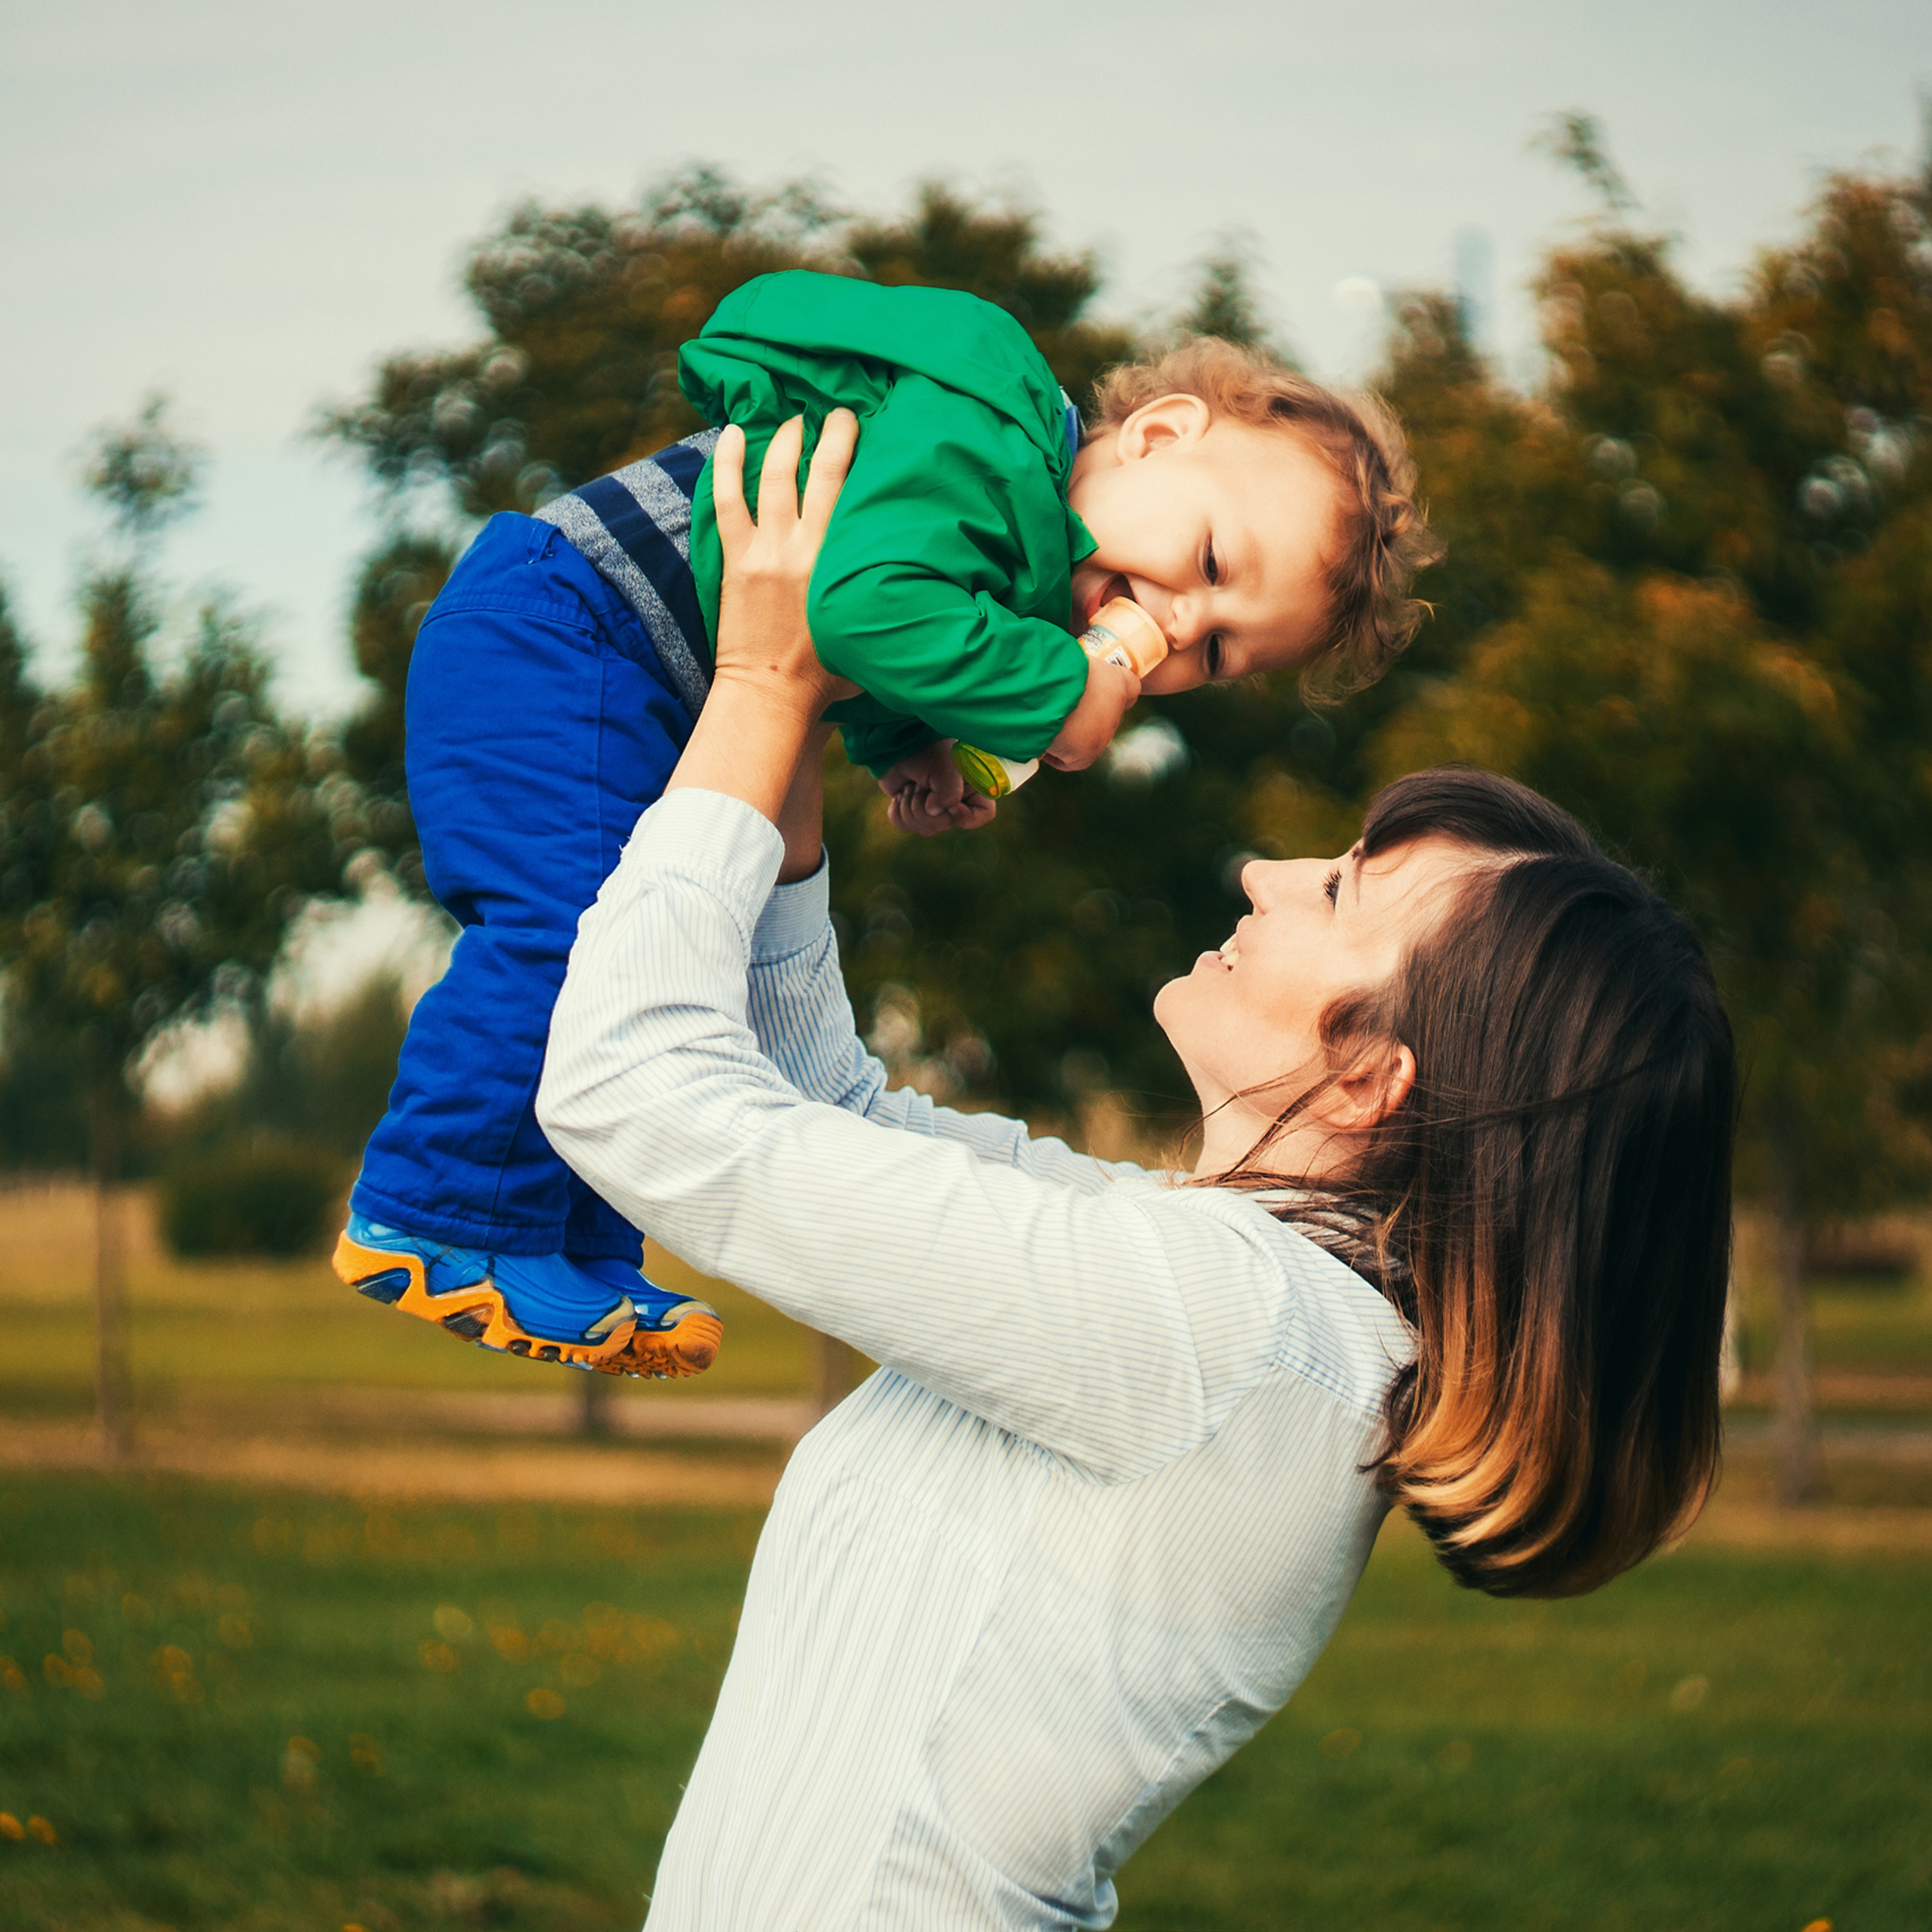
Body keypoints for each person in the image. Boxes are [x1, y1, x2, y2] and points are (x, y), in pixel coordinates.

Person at [533, 416, 1737, 1928]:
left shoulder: (1227, 1337)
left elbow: (636, 1092)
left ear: (1370, 1073)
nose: (1261, 872)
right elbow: (810, 1102)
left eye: (1337, 889)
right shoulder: (1217, 1288)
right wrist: (798, 741)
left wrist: (761, 684)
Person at [334, 269, 1440, 1383]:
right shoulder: (995, 443)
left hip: (621, 667)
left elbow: (863, 631)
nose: (1177, 624)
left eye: (1214, 654)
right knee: (571, 934)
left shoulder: (1007, 555)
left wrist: (899, 746)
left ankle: (573, 1238)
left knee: (622, 935)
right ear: (1158, 433)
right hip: (570, 630)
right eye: (1208, 565)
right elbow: (855, 605)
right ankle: (437, 1213)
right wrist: (1059, 694)